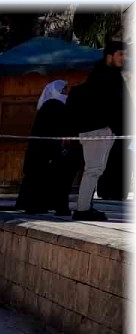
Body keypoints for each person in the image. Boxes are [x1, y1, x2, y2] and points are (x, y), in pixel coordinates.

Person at [67, 40, 127, 221]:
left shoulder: (106, 75)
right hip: (97, 130)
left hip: (101, 130)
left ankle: (86, 206)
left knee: (96, 170)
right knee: (93, 170)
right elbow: (113, 105)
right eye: (120, 54)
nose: (123, 58)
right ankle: (83, 209)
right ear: (109, 57)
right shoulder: (104, 76)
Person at [15, 80, 75, 216]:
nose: (66, 92)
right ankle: (44, 205)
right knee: (48, 177)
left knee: (39, 177)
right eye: (64, 89)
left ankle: (37, 205)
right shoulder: (54, 105)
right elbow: (59, 127)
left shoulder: (48, 105)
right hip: (48, 149)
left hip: (43, 149)